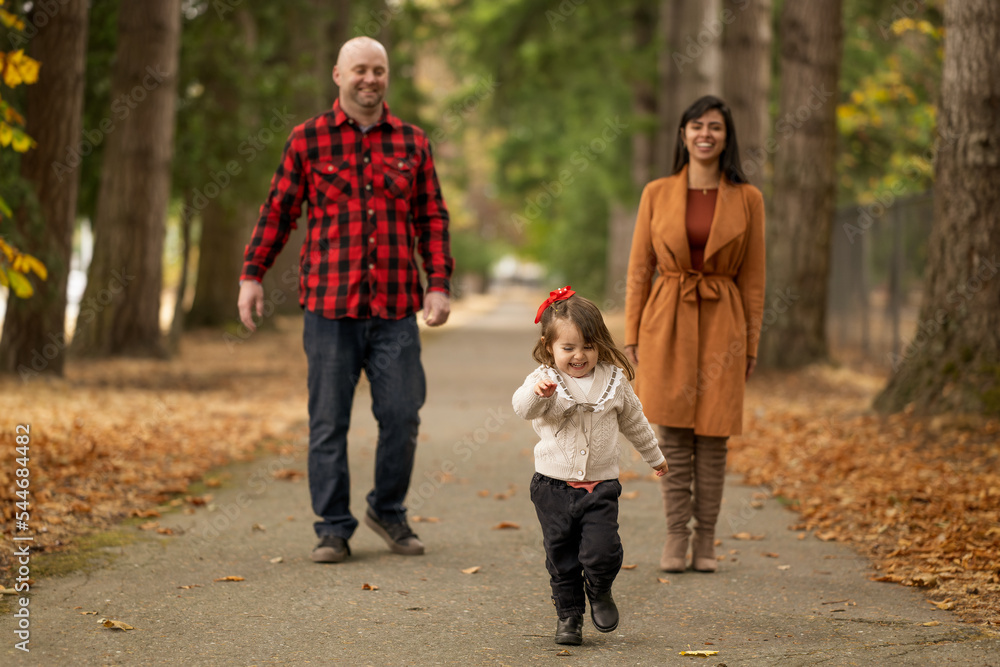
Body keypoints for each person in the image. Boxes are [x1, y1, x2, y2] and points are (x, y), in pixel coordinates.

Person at [237, 37, 454, 564]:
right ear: (338, 74)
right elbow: (278, 212)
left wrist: (439, 282)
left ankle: (388, 509)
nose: (370, 79)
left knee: (402, 416)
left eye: (379, 70)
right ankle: (332, 526)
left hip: (396, 308)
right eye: (360, 69)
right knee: (328, 422)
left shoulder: (412, 142)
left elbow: (432, 218)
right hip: (329, 309)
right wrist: (253, 274)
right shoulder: (307, 140)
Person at [624, 95, 765, 574]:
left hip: (724, 319)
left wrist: (752, 342)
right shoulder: (657, 192)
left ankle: (706, 540)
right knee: (672, 434)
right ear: (683, 134)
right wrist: (631, 334)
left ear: (727, 137)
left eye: (716, 127)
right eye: (697, 125)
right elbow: (640, 268)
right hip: (668, 316)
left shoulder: (748, 198)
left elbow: (754, 278)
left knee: (714, 436)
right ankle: (675, 537)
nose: (706, 134)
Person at [513, 287, 668, 646]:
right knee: (561, 558)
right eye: (568, 348)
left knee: (602, 551)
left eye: (588, 346)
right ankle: (569, 617)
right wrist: (540, 393)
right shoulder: (542, 379)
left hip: (601, 487)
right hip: (552, 488)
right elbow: (521, 408)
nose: (579, 356)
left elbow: (635, 422)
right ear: (549, 346)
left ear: (600, 344)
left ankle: (599, 588)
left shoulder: (613, 381)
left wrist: (655, 456)